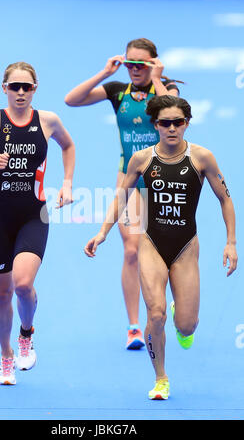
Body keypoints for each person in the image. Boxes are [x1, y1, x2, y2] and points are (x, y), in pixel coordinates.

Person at [84, 95, 237, 399]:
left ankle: (181, 313)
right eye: (165, 123)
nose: (171, 128)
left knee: (187, 326)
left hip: (185, 246)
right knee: (155, 314)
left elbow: (225, 198)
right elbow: (121, 196)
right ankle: (161, 378)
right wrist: (102, 232)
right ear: (155, 125)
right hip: (151, 242)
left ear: (186, 124)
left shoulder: (202, 158)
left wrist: (231, 242)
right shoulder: (141, 159)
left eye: (177, 122)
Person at [0, 62, 75, 385]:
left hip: (33, 215)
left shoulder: (48, 121)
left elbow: (68, 146)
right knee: (1, 293)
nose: (21, 92)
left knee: (23, 284)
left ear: (35, 88)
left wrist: (68, 183)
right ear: (5, 89)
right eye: (15, 87)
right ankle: (6, 355)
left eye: (27, 87)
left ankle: (26, 333)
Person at [65, 38, 181, 349]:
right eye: (129, 63)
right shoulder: (119, 91)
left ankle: (174, 301)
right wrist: (104, 72)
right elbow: (71, 100)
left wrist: (157, 77)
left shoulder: (165, 87)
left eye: (140, 64)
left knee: (166, 252)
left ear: (154, 63)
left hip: (165, 180)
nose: (133, 69)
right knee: (131, 250)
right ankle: (133, 325)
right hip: (130, 179)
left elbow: (173, 111)